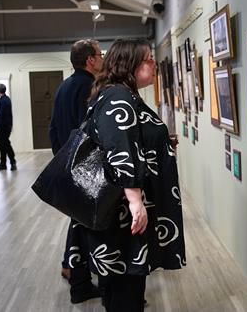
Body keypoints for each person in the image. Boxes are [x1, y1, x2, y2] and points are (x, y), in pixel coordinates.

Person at [85, 38, 186, 311]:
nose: (154, 63)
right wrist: (135, 202)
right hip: (122, 214)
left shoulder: (117, 93)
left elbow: (129, 138)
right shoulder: (118, 96)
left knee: (122, 287)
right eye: (148, 59)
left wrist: (161, 142)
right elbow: (120, 151)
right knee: (126, 290)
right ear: (129, 64)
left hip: (120, 212)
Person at [49, 39, 103, 304]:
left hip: (70, 165)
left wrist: (62, 159)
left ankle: (73, 271)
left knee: (79, 220)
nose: (103, 58)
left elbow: (52, 129)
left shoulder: (64, 86)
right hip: (86, 168)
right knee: (86, 221)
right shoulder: (88, 87)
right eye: (100, 54)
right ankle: (81, 280)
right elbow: (92, 129)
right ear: (90, 60)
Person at [0, 83, 16, 171]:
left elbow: (1, 115)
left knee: (5, 144)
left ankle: (12, 162)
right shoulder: (6, 100)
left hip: (2, 127)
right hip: (5, 126)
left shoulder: (3, 101)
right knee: (2, 145)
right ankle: (3, 164)